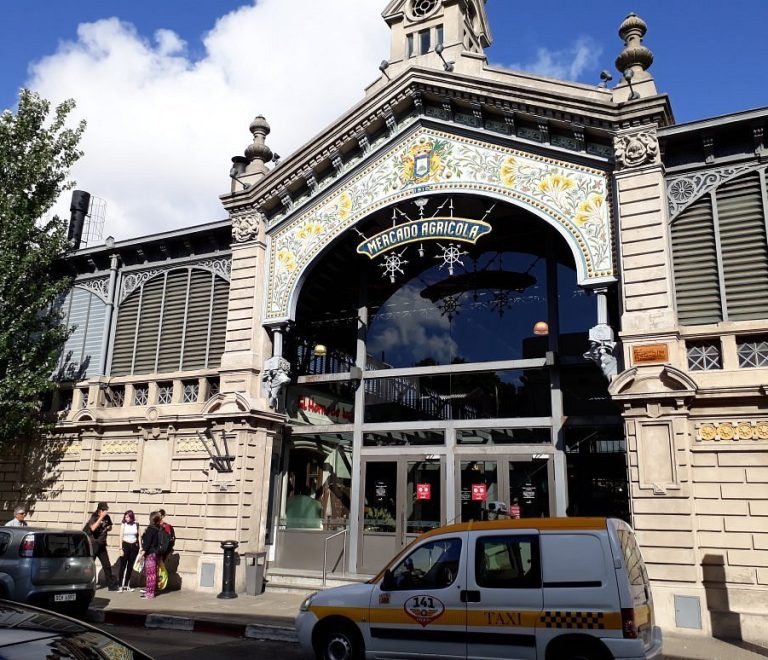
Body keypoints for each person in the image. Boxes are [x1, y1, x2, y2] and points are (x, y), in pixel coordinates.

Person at [86, 502, 118, 591]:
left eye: (106, 510)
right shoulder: (94, 516)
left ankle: (111, 585)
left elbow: (110, 526)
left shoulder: (107, 517)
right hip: (94, 544)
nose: (106, 512)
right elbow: (92, 528)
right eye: (104, 510)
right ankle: (87, 583)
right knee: (89, 565)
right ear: (100, 510)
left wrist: (108, 528)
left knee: (107, 565)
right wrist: (101, 518)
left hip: (102, 544)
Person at [140, 511, 163, 599]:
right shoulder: (158, 529)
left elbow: (147, 543)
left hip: (150, 554)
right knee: (153, 573)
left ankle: (149, 593)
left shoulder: (151, 529)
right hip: (156, 554)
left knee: (150, 574)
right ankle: (152, 590)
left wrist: (143, 552)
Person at [117, 510, 140, 592]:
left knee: (130, 566)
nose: (126, 518)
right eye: (125, 516)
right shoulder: (123, 524)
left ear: (131, 517)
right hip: (125, 545)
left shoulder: (136, 524)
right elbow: (120, 536)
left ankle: (127, 585)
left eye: (128, 516)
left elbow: (139, 536)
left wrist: (140, 547)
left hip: (134, 546)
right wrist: (120, 548)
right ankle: (120, 586)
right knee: (123, 566)